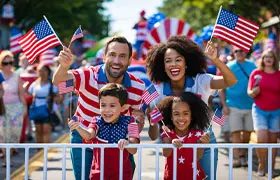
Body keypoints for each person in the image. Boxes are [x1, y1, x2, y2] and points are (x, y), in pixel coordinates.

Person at [53, 36, 146, 180]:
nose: (116, 61)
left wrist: (133, 134)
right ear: (104, 57)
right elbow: (58, 82)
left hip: (117, 140)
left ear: (129, 60)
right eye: (112, 55)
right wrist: (63, 66)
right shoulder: (88, 75)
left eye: (122, 56)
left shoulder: (137, 86)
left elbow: (137, 115)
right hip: (84, 135)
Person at [146, 35, 237, 179]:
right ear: (163, 66)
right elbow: (153, 135)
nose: (173, 64)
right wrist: (151, 121)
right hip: (175, 144)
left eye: (178, 59)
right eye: (168, 61)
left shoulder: (201, 80)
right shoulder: (157, 91)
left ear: (186, 63)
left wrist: (215, 60)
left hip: (204, 140)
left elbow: (230, 81)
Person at [68, 83, 139, 180]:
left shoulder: (131, 121)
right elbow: (88, 135)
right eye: (103, 105)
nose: (107, 110)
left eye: (112, 106)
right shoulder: (96, 120)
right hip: (98, 175)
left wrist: (127, 142)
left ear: (123, 107)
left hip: (122, 175)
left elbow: (134, 148)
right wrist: (78, 127)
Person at [219, 46, 256, 168]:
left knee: (247, 133)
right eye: (236, 51)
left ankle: (242, 155)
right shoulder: (228, 66)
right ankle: (237, 158)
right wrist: (224, 105)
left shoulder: (253, 66)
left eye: (242, 51)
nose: (239, 53)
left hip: (250, 105)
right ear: (233, 53)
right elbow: (221, 88)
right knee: (235, 133)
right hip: (232, 105)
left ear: (246, 52)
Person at [159, 92, 211, 180]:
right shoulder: (167, 132)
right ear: (171, 116)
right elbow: (165, 153)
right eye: (176, 114)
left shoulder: (198, 134)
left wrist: (203, 144)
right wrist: (171, 143)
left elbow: (197, 157)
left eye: (185, 113)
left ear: (191, 116)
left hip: (194, 177)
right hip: (172, 177)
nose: (181, 118)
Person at [247, 50, 280, 177]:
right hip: (259, 110)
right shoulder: (256, 73)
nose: (268, 59)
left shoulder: (278, 74)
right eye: (266, 57)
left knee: (272, 141)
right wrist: (254, 92)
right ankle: (262, 164)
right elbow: (249, 92)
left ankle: (270, 167)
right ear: (262, 59)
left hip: (276, 112)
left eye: (271, 57)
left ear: (274, 59)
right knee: (261, 138)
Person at [0, 50, 27, 167]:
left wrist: (25, 107)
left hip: (16, 108)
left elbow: (21, 94)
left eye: (10, 62)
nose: (8, 65)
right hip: (2, 109)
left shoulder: (16, 76)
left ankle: (9, 156)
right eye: (5, 63)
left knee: (14, 135)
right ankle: (6, 159)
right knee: (3, 134)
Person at [28, 64, 59, 143]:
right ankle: (39, 152)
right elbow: (29, 94)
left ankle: (46, 152)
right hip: (37, 109)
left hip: (48, 110)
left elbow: (58, 98)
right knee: (38, 131)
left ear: (48, 72)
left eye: (43, 70)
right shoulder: (34, 84)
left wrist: (52, 97)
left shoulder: (52, 84)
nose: (41, 72)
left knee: (46, 131)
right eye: (39, 70)